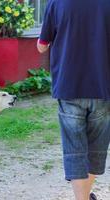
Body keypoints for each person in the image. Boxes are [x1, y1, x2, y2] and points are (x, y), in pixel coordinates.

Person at [37, 0, 110, 199]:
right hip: (103, 87)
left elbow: (42, 47)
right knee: (95, 151)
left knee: (75, 152)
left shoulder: (56, 3)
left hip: (69, 87)